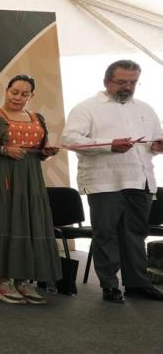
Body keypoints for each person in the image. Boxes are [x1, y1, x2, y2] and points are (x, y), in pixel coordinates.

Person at [61, 60, 163, 303]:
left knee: (136, 234)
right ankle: (109, 286)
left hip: (140, 181)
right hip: (104, 182)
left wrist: (157, 146)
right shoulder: (87, 108)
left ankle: (137, 284)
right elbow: (70, 139)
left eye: (132, 82)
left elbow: (152, 143)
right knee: (106, 235)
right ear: (107, 81)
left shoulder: (145, 108)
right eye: (121, 82)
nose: (127, 87)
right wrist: (109, 146)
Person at [0, 75, 61, 304]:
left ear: (31, 96)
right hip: (1, 178)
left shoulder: (37, 118)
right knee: (5, 222)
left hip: (31, 179)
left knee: (28, 223)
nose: (18, 97)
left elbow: (37, 151)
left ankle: (23, 281)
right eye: (14, 92)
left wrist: (46, 153)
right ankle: (4, 282)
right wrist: (2, 150)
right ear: (6, 91)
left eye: (24, 94)